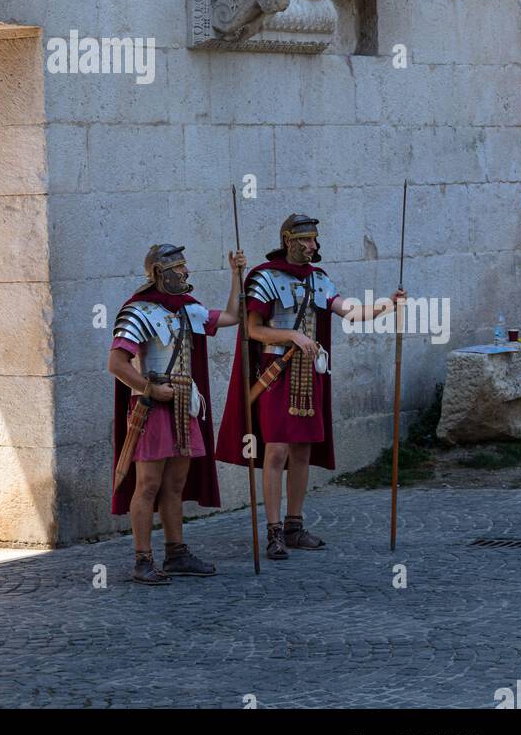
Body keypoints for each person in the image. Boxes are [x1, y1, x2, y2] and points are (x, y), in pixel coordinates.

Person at [216, 214, 406, 561]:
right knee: (275, 450)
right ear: (288, 240)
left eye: (314, 240)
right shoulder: (264, 278)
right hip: (276, 373)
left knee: (301, 450)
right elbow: (252, 330)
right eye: (305, 240)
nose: (313, 246)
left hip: (310, 375)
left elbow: (349, 310)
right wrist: (291, 334)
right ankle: (273, 531)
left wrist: (387, 305)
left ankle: (294, 525)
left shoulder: (319, 279)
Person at [109, 243, 247, 584]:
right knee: (148, 485)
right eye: (179, 268)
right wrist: (151, 389)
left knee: (175, 484)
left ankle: (176, 553)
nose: (186, 273)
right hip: (153, 408)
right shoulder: (137, 311)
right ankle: (143, 559)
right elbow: (116, 363)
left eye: (185, 267)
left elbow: (232, 317)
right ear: (159, 273)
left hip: (185, 405)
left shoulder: (189, 308)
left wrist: (236, 275)